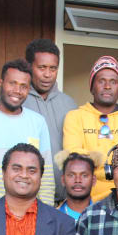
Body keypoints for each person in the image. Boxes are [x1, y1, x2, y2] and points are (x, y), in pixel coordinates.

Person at [62, 55, 118, 201]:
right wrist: (117, 164)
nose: (107, 86)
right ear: (92, 87)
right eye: (101, 81)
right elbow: (74, 157)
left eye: (113, 82)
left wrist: (95, 162)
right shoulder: (74, 117)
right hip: (85, 202)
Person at [0, 58, 55, 207]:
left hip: (29, 215)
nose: (17, 90)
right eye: (12, 83)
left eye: (23, 86)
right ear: (0, 83)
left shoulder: (38, 122)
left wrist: (46, 216)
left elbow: (46, 175)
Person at [23, 38, 77, 201]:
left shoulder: (69, 104)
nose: (47, 74)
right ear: (29, 67)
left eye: (53, 68)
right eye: (42, 68)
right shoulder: (18, 101)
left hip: (65, 200)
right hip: (27, 199)